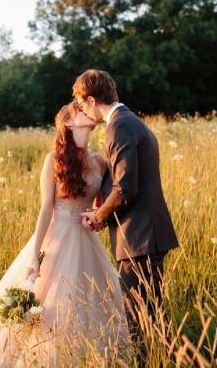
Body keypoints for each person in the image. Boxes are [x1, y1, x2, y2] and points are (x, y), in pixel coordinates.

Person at [0, 102, 129, 367]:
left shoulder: (100, 162)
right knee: (47, 302)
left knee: (87, 301)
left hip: (86, 241)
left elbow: (101, 205)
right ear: (68, 123)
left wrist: (96, 217)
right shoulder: (53, 160)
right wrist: (35, 256)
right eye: (79, 110)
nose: (86, 113)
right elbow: (46, 210)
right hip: (56, 237)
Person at [74, 69, 180, 341]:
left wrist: (98, 216)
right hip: (145, 235)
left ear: (92, 99)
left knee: (139, 322)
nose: (85, 112)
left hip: (139, 236)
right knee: (151, 318)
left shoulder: (119, 126)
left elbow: (125, 188)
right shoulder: (130, 121)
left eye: (83, 104)